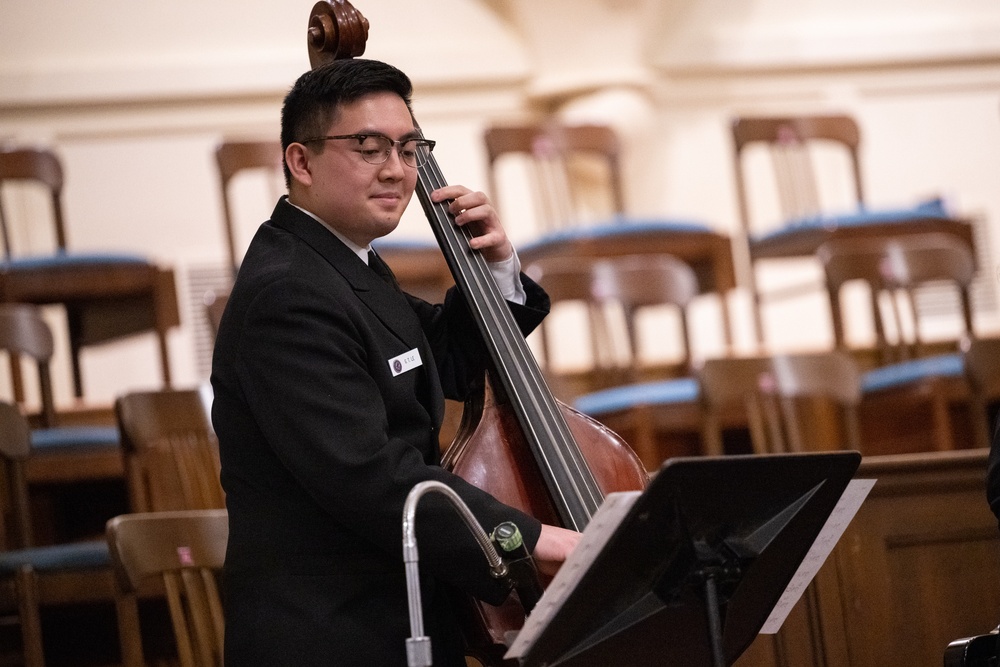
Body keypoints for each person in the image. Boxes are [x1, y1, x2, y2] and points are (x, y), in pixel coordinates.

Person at [210, 57, 580, 667]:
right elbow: (372, 478)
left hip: (391, 616)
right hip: (332, 636)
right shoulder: (290, 293)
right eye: (369, 147)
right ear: (300, 162)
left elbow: (452, 364)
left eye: (410, 150)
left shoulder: (341, 264)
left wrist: (496, 272)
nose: (398, 171)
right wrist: (536, 540)